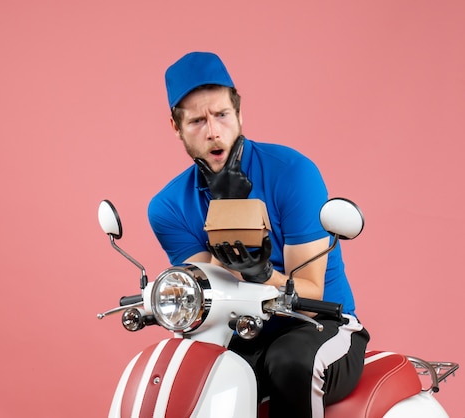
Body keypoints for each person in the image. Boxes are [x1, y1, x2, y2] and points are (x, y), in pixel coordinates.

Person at [147, 51, 370, 418]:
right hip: (244, 331)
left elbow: (310, 291)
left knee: (288, 361)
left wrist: (262, 274)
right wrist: (226, 209)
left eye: (221, 115)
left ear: (239, 114)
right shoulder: (167, 207)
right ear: (176, 127)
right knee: (189, 372)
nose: (213, 131)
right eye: (197, 121)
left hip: (322, 324)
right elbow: (211, 296)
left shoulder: (293, 172)